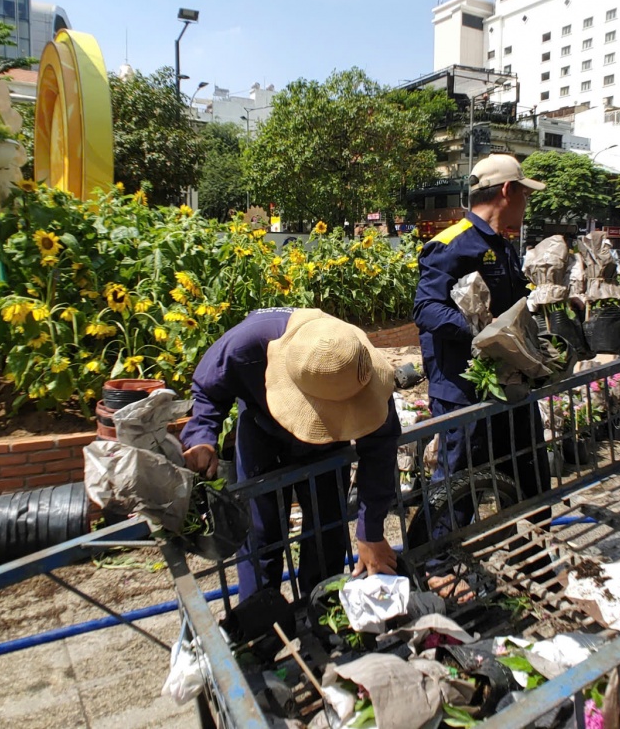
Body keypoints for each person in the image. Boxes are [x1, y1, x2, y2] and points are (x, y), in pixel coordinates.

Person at [180, 308, 400, 601]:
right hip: (262, 433)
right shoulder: (245, 346)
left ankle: (322, 606)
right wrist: (202, 437)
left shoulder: (357, 365)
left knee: (327, 527)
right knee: (260, 533)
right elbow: (208, 390)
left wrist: (369, 532)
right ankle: (262, 620)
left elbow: (380, 450)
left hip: (327, 447)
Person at [413, 153, 550, 543]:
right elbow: (426, 310)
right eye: (525, 194)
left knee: (530, 474)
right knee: (458, 486)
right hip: (464, 391)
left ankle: (534, 551)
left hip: (511, 383)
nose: (526, 204)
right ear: (508, 191)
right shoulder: (450, 245)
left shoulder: (504, 247)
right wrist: (481, 331)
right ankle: (436, 563)